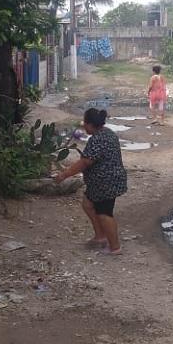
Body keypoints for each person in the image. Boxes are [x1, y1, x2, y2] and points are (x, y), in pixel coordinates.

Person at [53, 108, 128, 255]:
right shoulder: (107, 133)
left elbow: (85, 162)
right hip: (105, 181)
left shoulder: (97, 139)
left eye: (85, 123)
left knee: (104, 213)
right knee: (88, 204)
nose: (84, 126)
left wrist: (64, 175)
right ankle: (100, 236)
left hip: (105, 183)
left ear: (90, 124)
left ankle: (115, 247)